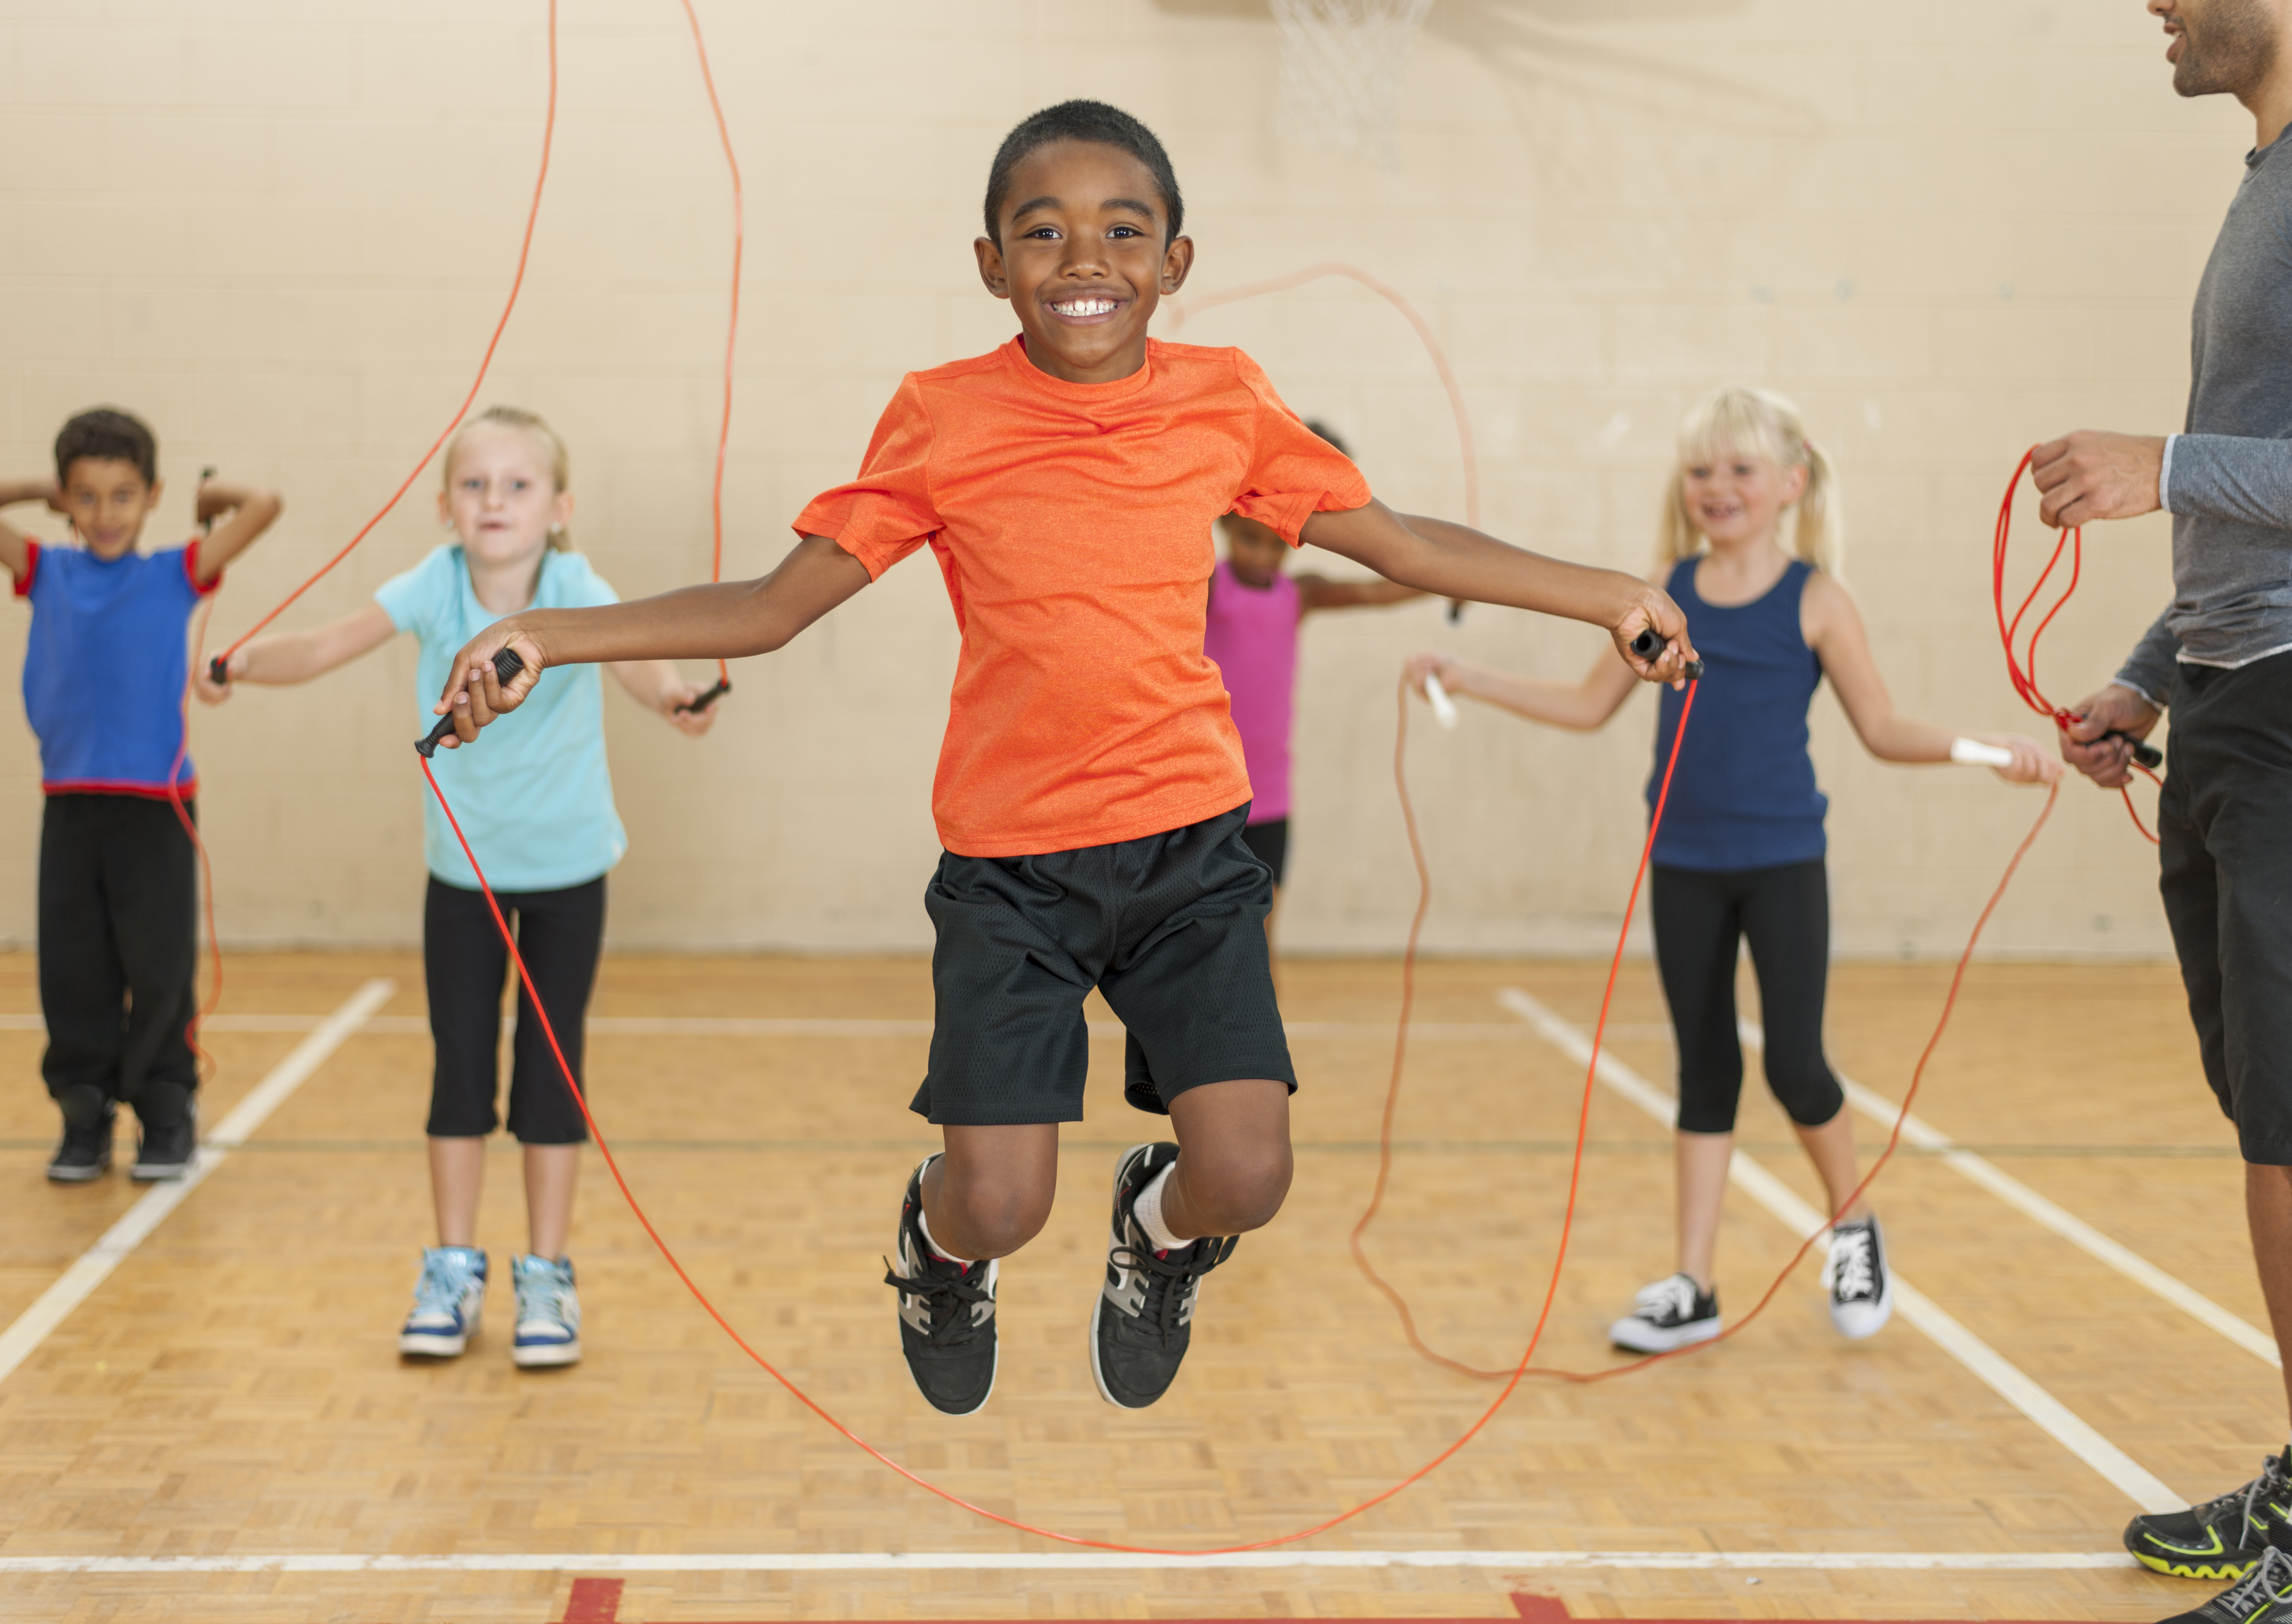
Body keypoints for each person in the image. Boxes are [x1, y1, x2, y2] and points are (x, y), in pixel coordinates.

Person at [426, 100, 1698, 1418]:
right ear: (989, 263)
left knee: (1248, 1172)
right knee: (999, 1200)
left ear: (1175, 261)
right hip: (1011, 867)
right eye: (1042, 232)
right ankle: (936, 1252)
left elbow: (1403, 547)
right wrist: (543, 634)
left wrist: (1604, 591)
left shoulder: (1224, 401)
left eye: (1121, 231)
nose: (1083, 259)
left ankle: (1157, 1230)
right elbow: (772, 605)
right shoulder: (941, 417)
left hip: (1190, 849)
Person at [1408, 385, 2057, 1357]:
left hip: (1783, 863)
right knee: (1702, 1069)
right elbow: (1590, 708)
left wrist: (1985, 747)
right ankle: (1693, 1284)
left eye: (1739, 469)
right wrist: (1474, 679)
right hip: (1681, 864)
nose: (1716, 487)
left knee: (1795, 1065)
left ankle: (1852, 1226)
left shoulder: (1816, 599)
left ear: (1789, 483)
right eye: (1701, 470)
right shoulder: (1661, 593)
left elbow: (1880, 728)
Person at [201, 405, 720, 1369]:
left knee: (550, 1078)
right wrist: (237, 663)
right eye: (475, 485)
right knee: (460, 1071)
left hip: (567, 874)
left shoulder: (572, 586)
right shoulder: (431, 587)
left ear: (558, 507)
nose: (494, 501)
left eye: (517, 485)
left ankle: (546, 1277)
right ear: (445, 507)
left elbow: (637, 660)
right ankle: (450, 1267)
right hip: (463, 882)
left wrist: (678, 696)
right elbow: (319, 647)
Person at [2032, 2, 2292, 1613]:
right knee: (2264, 1116)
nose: (2156, 4)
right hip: (2228, 699)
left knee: (2290, 1131)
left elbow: (2222, 469)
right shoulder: (2260, 183)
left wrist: (2165, 462)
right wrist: (2149, 669)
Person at [0, 407, 281, 1185]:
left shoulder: (176, 572)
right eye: (86, 497)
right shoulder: (44, 571)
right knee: (75, 968)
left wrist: (212, 496)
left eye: (123, 496)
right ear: (67, 499)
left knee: (158, 965)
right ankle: (84, 1111)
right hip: (70, 804)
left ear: (152, 495)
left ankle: (165, 1108)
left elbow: (265, 506)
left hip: (155, 808)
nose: (103, 514)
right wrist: (42, 488)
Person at [1203, 419, 1425, 972]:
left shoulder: (1298, 596)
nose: (1263, 556)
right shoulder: (1209, 588)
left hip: (1271, 800)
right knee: (1205, 945)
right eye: (1250, 540)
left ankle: (1260, 1055)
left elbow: (1378, 591)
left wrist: (1451, 580)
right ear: (1229, 527)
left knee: (1259, 944)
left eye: (1277, 545)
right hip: (1207, 796)